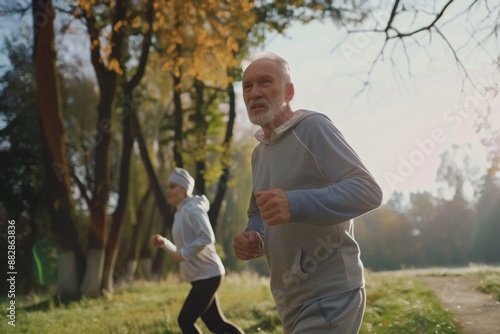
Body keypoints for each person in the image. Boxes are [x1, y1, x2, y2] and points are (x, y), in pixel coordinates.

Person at [232, 51, 383, 334]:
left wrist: (296, 202)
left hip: (330, 292)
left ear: (288, 92)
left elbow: (368, 190)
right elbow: (258, 212)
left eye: (265, 82)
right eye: (247, 86)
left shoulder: (313, 127)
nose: (254, 93)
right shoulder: (259, 153)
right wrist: (255, 236)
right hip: (289, 297)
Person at [152, 167, 244, 334]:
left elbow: (207, 237)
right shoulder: (180, 212)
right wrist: (164, 243)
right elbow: (181, 252)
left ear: (185, 188)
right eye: (167, 187)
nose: (168, 191)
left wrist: (184, 253)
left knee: (185, 320)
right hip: (201, 276)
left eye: (173, 186)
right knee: (216, 324)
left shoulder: (192, 209)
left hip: (208, 275)